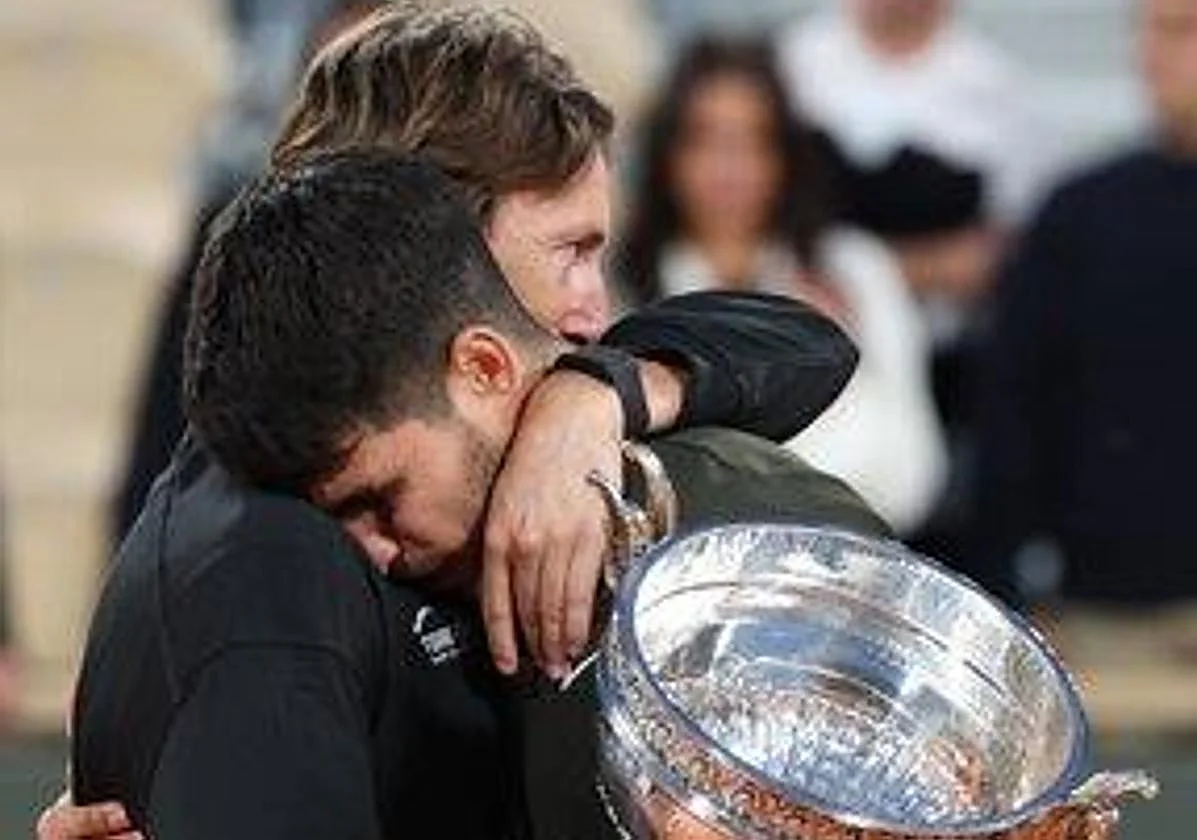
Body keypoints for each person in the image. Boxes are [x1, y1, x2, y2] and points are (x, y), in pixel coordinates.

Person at [40, 6, 862, 838]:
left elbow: (805, 348)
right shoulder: (273, 572)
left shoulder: (490, 426)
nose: (594, 308)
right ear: (438, 245)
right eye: (570, 251)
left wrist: (592, 397)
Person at [618, 35, 946, 534]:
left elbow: (914, 466)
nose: (729, 168)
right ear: (668, 153)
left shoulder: (855, 269)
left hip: (856, 557)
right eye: (704, 138)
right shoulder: (619, 282)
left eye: (754, 140)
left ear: (786, 155)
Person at [971, 0, 1197, 606]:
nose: (1150, 54)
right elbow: (1014, 402)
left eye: (1179, 30)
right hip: (1107, 605)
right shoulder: (1082, 212)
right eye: (1145, 30)